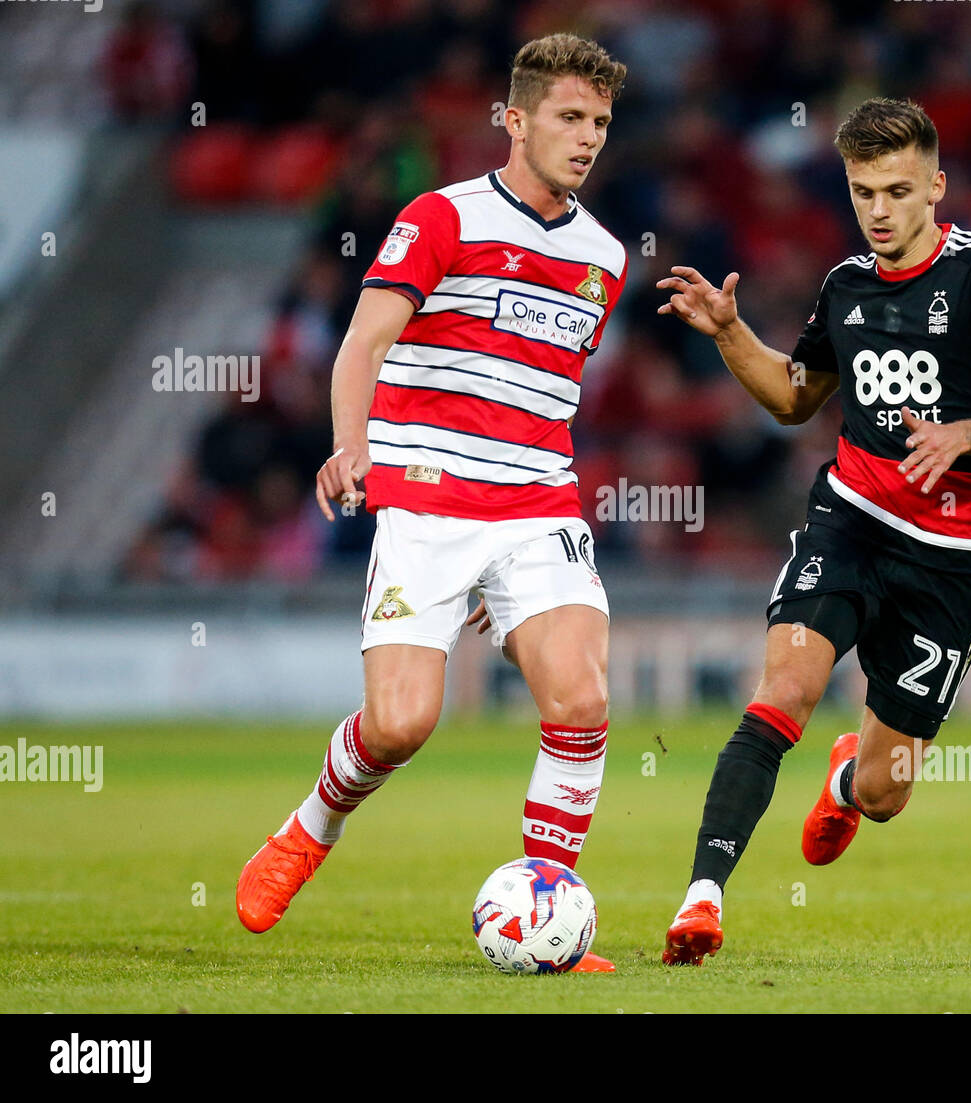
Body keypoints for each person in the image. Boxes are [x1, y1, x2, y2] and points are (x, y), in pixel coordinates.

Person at [235, 34, 628, 973]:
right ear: (516, 118)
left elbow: (545, 391)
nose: (586, 140)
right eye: (569, 118)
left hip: (538, 504)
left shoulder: (604, 256)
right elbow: (361, 344)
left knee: (581, 698)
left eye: (601, 125)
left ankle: (548, 915)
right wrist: (349, 446)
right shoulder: (440, 217)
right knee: (403, 722)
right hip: (429, 504)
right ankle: (310, 827)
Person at [656, 98, 971, 965]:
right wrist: (732, 337)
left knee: (885, 792)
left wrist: (963, 433)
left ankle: (848, 776)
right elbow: (797, 395)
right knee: (785, 687)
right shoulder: (845, 286)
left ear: (935, 187)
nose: (877, 209)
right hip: (854, 517)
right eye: (861, 191)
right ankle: (701, 898)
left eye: (896, 189)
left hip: (958, 554)